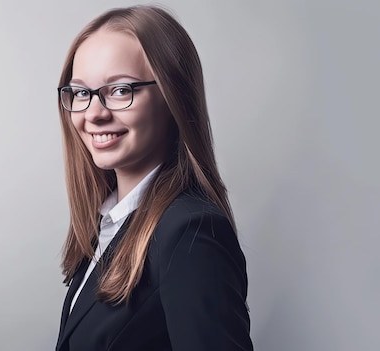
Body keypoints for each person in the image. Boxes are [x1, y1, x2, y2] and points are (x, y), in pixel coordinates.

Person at [54, 5, 253, 351]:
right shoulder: (108, 223)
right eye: (81, 92)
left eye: (120, 90)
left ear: (173, 97)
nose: (94, 114)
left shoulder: (190, 233)